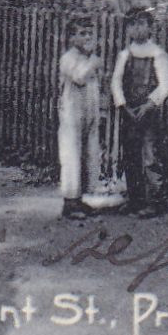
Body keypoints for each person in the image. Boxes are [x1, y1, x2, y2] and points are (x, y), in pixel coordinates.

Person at [110, 6, 168, 217]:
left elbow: (165, 85)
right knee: (130, 154)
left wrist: (149, 104)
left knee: (149, 155)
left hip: (149, 112)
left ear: (150, 27)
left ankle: (155, 201)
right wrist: (123, 104)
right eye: (132, 25)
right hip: (129, 111)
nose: (137, 30)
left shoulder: (158, 54)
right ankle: (135, 199)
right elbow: (116, 81)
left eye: (141, 24)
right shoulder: (125, 55)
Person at [56, 22, 103, 219]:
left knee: (88, 153)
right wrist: (93, 60)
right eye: (82, 33)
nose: (87, 38)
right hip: (72, 114)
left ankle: (80, 198)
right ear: (72, 38)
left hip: (88, 112)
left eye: (90, 34)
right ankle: (69, 202)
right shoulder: (68, 59)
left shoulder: (87, 58)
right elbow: (79, 77)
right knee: (72, 155)